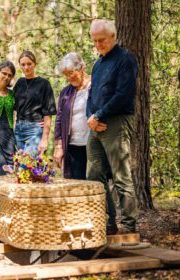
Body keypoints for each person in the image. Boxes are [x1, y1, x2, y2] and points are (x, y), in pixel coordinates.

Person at [87, 19, 138, 234]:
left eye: (101, 40)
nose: (98, 44)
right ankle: (107, 223)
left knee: (120, 175)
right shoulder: (98, 64)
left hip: (116, 121)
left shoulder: (125, 60)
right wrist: (92, 116)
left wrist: (99, 115)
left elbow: (123, 95)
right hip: (96, 125)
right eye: (95, 41)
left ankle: (129, 226)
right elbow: (91, 95)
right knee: (94, 175)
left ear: (113, 37)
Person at [54, 53, 91, 179]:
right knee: (76, 184)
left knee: (96, 183)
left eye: (71, 73)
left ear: (81, 68)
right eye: (66, 75)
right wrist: (58, 147)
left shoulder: (95, 85)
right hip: (73, 146)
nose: (69, 78)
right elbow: (59, 120)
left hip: (94, 145)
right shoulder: (66, 92)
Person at [14, 51, 57, 155]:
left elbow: (48, 113)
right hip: (18, 129)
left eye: (29, 64)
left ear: (35, 64)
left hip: (34, 130)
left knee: (29, 165)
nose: (26, 67)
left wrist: (44, 138)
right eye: (23, 64)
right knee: (18, 164)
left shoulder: (44, 84)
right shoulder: (19, 83)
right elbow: (12, 106)